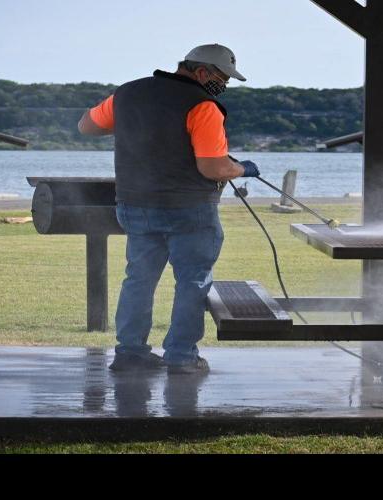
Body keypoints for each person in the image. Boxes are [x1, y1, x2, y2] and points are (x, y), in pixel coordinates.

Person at [78, 44, 260, 375]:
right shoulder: (203, 105)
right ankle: (181, 356)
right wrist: (242, 168)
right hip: (189, 210)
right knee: (192, 281)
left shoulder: (127, 93)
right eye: (222, 78)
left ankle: (130, 353)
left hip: (135, 205)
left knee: (138, 278)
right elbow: (213, 167)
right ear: (202, 72)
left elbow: (86, 126)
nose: (225, 85)